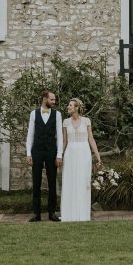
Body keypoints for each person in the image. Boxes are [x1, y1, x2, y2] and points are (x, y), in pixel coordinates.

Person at [60, 97, 101, 222]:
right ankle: (68, 214)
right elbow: (64, 141)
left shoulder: (86, 121)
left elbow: (91, 139)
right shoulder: (65, 122)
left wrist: (98, 156)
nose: (68, 107)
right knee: (69, 181)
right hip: (70, 153)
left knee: (83, 182)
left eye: (70, 105)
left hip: (84, 153)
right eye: (69, 105)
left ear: (77, 107)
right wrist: (59, 156)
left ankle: (83, 214)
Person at [25, 90, 63, 222]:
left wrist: (59, 155)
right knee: (36, 183)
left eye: (54, 100)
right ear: (44, 99)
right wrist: (29, 153)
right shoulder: (33, 114)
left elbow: (60, 136)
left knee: (52, 182)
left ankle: (52, 212)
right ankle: (36, 213)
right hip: (37, 151)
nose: (54, 102)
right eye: (52, 99)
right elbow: (30, 134)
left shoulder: (57, 114)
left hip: (51, 152)